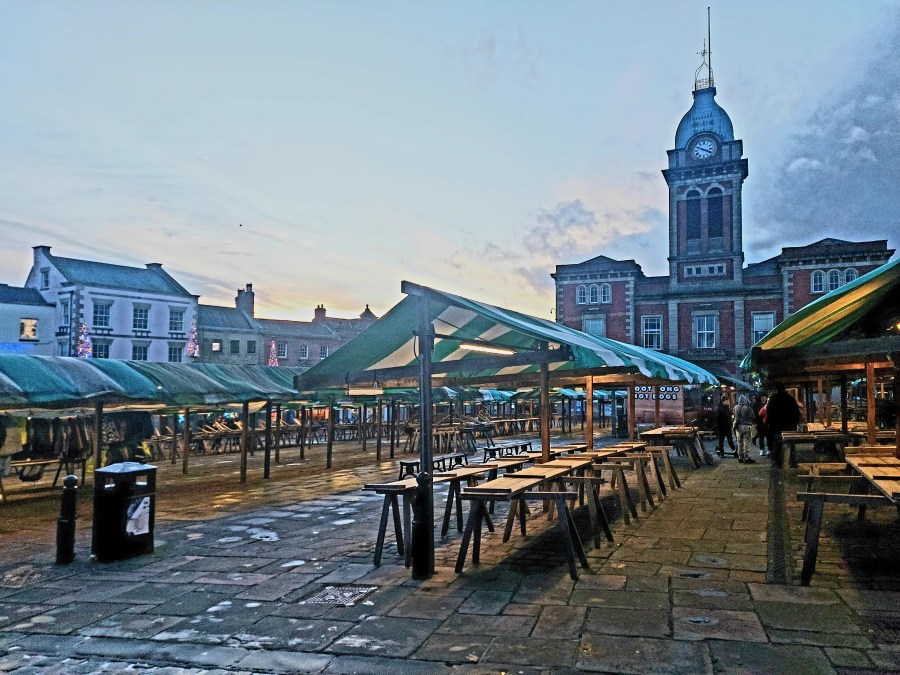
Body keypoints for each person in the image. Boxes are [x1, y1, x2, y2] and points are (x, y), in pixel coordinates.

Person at [766, 382, 801, 466]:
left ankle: (777, 462)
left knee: (777, 443)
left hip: (776, 425)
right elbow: (796, 412)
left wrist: (769, 423)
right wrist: (796, 423)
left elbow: (769, 412)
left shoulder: (773, 399)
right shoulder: (790, 399)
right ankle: (791, 461)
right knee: (790, 443)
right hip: (789, 425)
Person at [732, 394, 756, 464]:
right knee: (746, 442)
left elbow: (734, 416)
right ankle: (746, 457)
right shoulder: (747, 408)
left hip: (738, 427)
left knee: (739, 442)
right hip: (746, 426)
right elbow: (753, 416)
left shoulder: (735, 407)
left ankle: (740, 457)